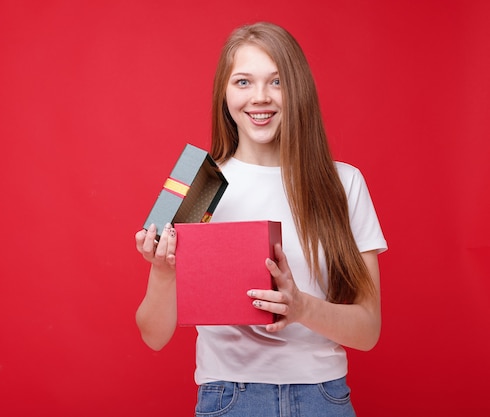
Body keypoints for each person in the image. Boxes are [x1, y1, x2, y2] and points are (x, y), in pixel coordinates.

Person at [134, 21, 387, 417]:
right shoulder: (199, 186)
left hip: (323, 398)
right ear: (224, 93)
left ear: (297, 89)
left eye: (277, 82)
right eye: (243, 82)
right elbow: (153, 336)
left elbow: (368, 330)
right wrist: (163, 272)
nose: (260, 98)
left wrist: (301, 307)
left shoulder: (343, 183)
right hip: (229, 398)